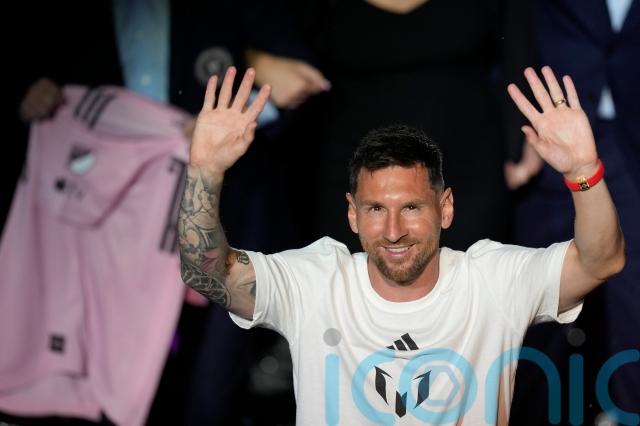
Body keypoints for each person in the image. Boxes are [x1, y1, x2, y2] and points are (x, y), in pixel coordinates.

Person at [178, 66, 625, 424]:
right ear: (352, 214)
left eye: (411, 207)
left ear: (445, 209)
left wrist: (583, 170)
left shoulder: (492, 278)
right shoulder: (315, 280)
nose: (393, 230)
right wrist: (204, 171)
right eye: (375, 209)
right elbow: (206, 273)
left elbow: (600, 262)